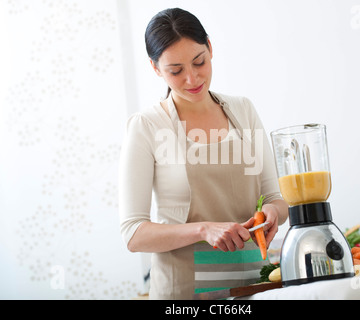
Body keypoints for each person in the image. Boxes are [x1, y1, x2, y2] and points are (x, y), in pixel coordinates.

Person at [119, 7, 288, 300]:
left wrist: (273, 213)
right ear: (156, 69)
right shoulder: (146, 126)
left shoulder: (243, 110)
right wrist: (203, 230)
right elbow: (133, 234)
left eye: (199, 62)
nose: (192, 78)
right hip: (184, 290)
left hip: (254, 285)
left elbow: (276, 198)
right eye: (176, 71)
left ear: (210, 48)